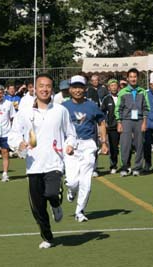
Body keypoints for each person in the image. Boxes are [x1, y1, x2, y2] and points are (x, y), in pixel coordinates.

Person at [8, 73, 76, 249]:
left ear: (51, 89)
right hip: (33, 166)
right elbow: (13, 134)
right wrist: (19, 143)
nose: (44, 89)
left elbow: (71, 133)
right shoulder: (24, 112)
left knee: (52, 194)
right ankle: (47, 237)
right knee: (37, 208)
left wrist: (70, 145)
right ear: (34, 89)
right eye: (41, 86)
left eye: (48, 86)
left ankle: (56, 205)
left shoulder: (61, 111)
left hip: (54, 162)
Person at [62, 75, 108, 222]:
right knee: (72, 181)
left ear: (85, 89)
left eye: (80, 87)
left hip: (88, 145)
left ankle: (79, 211)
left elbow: (101, 122)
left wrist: (104, 142)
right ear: (69, 89)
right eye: (74, 87)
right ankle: (71, 190)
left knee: (86, 182)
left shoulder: (92, 105)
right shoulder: (63, 107)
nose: (77, 90)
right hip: (70, 145)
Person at [115, 68, 150, 177]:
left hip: (139, 120)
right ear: (128, 78)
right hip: (126, 120)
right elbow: (118, 109)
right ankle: (125, 167)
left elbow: (146, 108)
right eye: (131, 77)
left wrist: (144, 122)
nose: (133, 79)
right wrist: (119, 122)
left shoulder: (142, 91)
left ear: (138, 78)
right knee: (125, 144)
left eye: (135, 77)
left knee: (139, 144)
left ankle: (137, 167)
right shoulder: (122, 92)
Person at [101, 79, 120, 174]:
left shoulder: (122, 96)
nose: (114, 87)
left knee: (126, 147)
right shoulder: (106, 99)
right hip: (112, 127)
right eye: (112, 86)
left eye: (115, 85)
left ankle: (126, 165)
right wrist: (106, 121)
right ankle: (113, 165)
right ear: (109, 88)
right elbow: (102, 112)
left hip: (123, 126)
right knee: (113, 148)